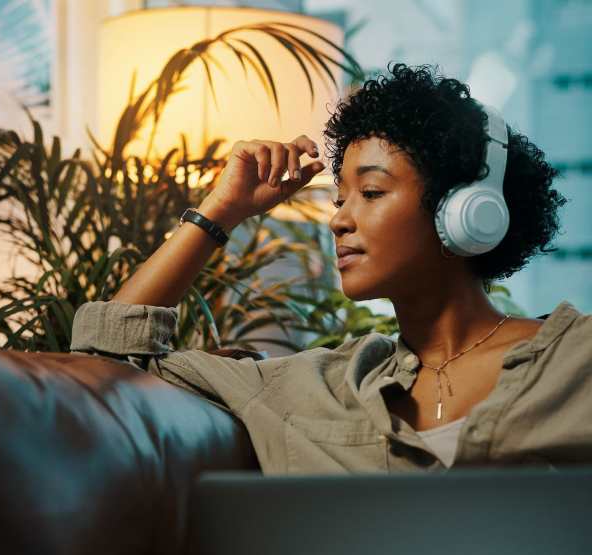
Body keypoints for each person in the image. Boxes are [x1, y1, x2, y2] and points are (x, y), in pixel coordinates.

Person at [71, 63, 592, 473]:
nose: (339, 221)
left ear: (468, 211)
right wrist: (221, 210)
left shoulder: (577, 360)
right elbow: (103, 363)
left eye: (369, 192)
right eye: (339, 199)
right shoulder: (314, 388)